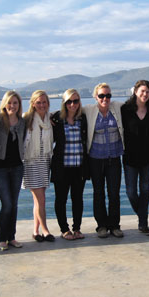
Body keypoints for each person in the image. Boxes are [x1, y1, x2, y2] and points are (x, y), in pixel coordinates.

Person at [82, 83, 125, 238]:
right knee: (98, 193)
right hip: (95, 159)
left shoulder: (117, 108)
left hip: (114, 158)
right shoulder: (88, 110)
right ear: (96, 97)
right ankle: (101, 226)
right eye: (101, 96)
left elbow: (135, 103)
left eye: (108, 95)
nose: (105, 98)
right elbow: (69, 110)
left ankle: (114, 225)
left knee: (114, 193)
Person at [121, 80, 149, 236]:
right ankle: (142, 216)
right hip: (130, 158)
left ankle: (143, 224)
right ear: (135, 91)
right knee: (131, 192)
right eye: (142, 91)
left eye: (148, 92)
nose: (145, 94)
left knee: (145, 190)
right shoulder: (125, 109)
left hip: (148, 158)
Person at [51, 89, 89, 240]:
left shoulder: (83, 119)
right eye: (69, 101)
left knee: (78, 199)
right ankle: (64, 229)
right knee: (61, 199)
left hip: (79, 166)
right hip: (62, 167)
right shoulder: (57, 119)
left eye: (76, 101)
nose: (72, 104)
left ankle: (77, 228)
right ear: (64, 103)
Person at [0, 90, 26, 251]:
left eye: (15, 103)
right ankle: (1, 238)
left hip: (18, 167)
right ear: (4, 104)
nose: (12, 105)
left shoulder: (22, 121)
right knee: (7, 204)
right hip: (0, 168)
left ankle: (11, 237)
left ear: (19, 105)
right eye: (9, 102)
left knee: (14, 204)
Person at [22, 90, 55, 242]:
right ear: (33, 104)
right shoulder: (27, 119)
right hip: (31, 162)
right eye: (38, 102)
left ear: (48, 103)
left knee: (38, 200)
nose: (42, 105)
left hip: (45, 161)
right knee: (40, 199)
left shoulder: (51, 119)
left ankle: (35, 231)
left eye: (44, 102)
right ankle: (45, 230)